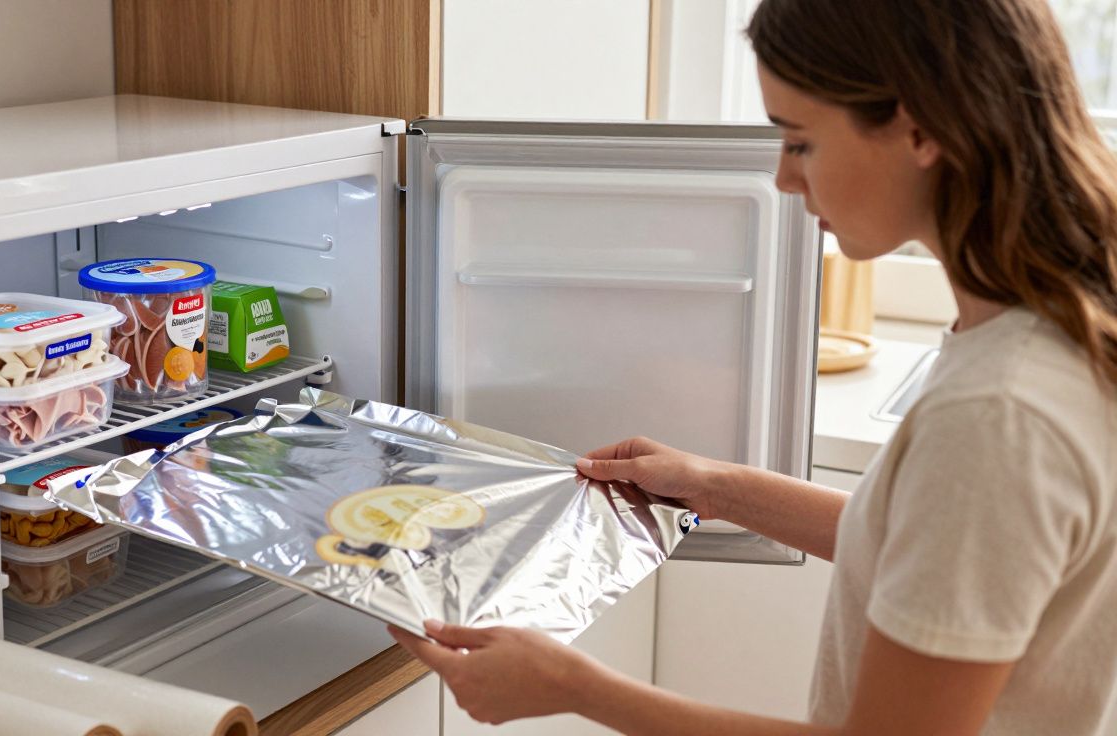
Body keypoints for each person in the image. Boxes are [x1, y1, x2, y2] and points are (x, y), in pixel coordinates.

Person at [389, 0, 1117, 733]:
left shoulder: (997, 415)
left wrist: (579, 690)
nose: (782, 179)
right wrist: (714, 488)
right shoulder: (1044, 329)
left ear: (919, 128)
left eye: (799, 142)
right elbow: (936, 547)